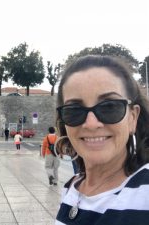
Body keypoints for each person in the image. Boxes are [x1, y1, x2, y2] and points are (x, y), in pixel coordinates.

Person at [54, 55, 149, 224]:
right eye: (74, 109)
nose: (91, 124)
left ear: (132, 118)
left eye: (110, 107)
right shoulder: (72, 187)